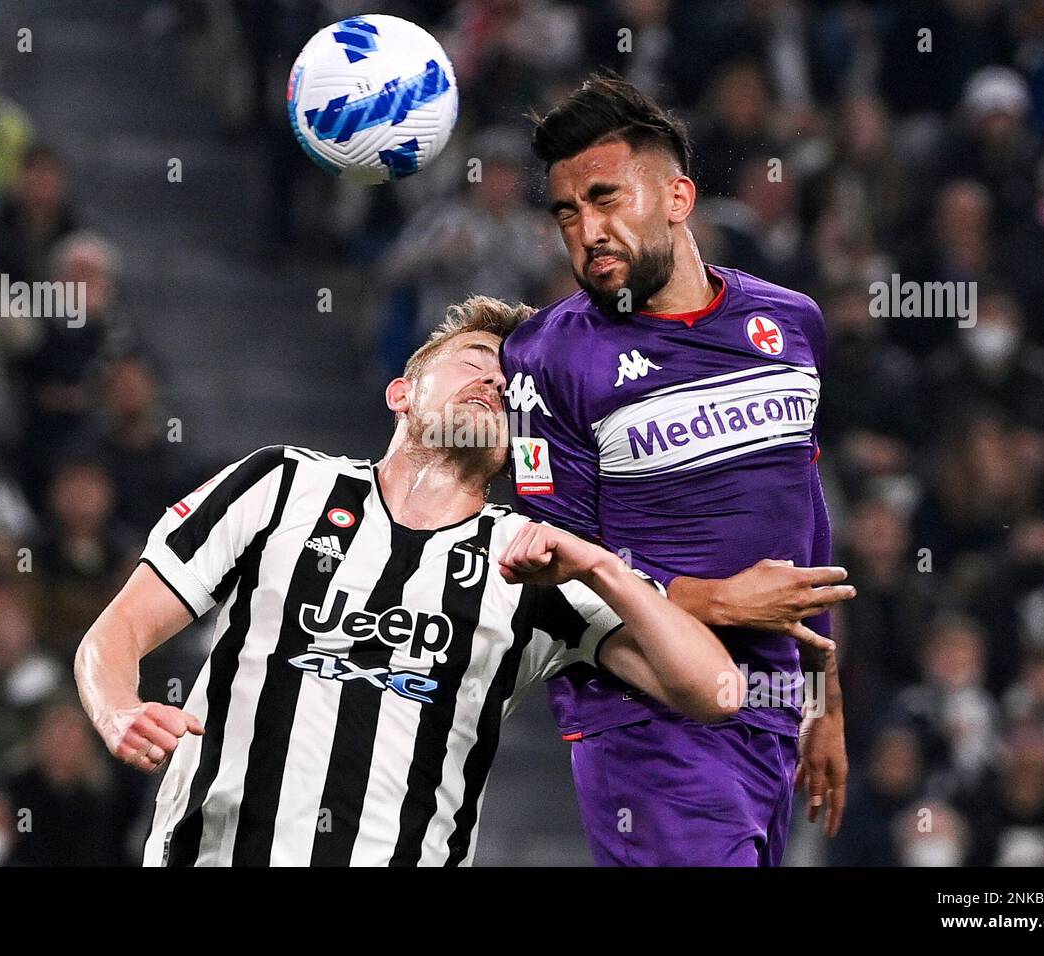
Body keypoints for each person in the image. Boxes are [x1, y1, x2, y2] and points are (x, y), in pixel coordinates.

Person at [75, 296, 744, 867]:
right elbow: (116, 633)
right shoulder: (281, 485)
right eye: (477, 359)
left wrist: (604, 569)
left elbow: (716, 690)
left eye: (516, 380)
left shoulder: (537, 560)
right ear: (403, 392)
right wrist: (118, 708)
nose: (497, 381)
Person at [501, 73, 853, 866]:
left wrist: (820, 698)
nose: (587, 231)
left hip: (767, 714)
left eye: (606, 198)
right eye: (567, 213)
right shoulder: (546, 358)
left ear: (678, 198)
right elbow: (550, 564)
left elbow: (804, 515)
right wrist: (712, 600)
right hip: (647, 721)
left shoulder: (790, 323)